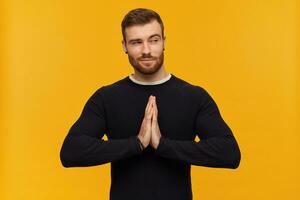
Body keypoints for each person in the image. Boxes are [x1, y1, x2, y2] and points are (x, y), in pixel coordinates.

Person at [60, 8, 241, 200]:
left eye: (153, 40)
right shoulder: (107, 97)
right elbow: (71, 152)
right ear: (124, 46)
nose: (146, 50)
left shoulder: (194, 96)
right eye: (136, 42)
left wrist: (163, 145)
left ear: (164, 41)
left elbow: (229, 153)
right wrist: (136, 143)